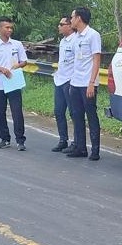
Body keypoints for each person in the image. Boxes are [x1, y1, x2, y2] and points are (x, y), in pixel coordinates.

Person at [0, 16, 28, 151]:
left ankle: (20, 140)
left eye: (11, 27)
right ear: (0, 29)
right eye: (7, 27)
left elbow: (24, 61)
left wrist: (17, 66)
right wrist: (2, 69)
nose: (10, 30)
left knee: (17, 112)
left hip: (14, 83)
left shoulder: (17, 44)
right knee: (0, 112)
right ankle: (5, 138)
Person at [66, 6, 103, 160]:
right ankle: (80, 147)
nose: (71, 20)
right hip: (75, 82)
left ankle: (95, 150)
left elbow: (96, 60)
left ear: (79, 18)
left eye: (72, 17)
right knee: (76, 115)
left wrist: (91, 83)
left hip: (88, 83)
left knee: (91, 115)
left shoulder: (93, 35)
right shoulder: (76, 37)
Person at [51, 16, 75, 152]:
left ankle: (76, 141)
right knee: (59, 111)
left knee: (73, 112)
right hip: (60, 79)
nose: (59, 27)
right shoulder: (63, 42)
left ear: (70, 26)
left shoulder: (75, 41)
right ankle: (63, 139)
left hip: (70, 81)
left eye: (61, 24)